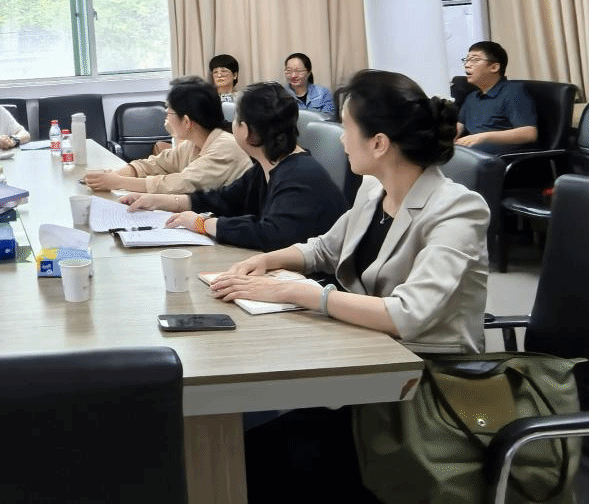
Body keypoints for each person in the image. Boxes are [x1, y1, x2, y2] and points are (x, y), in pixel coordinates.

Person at [208, 70, 489, 501]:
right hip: (366, 359)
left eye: (347, 128)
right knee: (252, 449)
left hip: (423, 382)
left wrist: (298, 292)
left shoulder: (457, 210)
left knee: (265, 462)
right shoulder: (374, 189)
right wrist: (268, 260)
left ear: (379, 143)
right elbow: (324, 248)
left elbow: (407, 314)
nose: (339, 139)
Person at [118, 83, 345, 250]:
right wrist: (158, 201)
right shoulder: (267, 166)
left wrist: (203, 224)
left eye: (235, 120)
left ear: (246, 130)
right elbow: (223, 199)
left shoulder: (300, 176)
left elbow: (270, 233)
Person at [84, 78, 251, 194]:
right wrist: (115, 175)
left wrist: (118, 182)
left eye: (169, 112)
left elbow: (179, 184)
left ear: (186, 121)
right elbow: (155, 164)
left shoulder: (224, 147)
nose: (166, 118)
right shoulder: (194, 143)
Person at [455, 40, 538, 153]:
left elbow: (529, 133)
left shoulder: (513, 92)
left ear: (494, 67)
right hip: (472, 151)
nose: (467, 65)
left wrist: (482, 137)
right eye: (467, 60)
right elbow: (459, 126)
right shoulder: (471, 97)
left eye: (475, 60)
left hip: (501, 155)